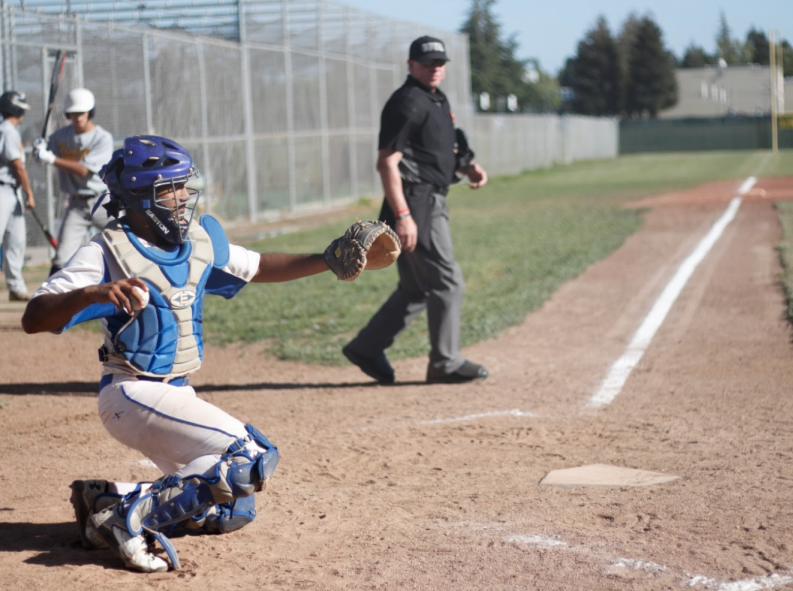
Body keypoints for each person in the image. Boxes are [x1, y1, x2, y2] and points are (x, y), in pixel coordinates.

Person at [21, 135, 347, 573]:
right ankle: (129, 522)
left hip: (177, 394)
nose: (180, 197)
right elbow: (34, 316)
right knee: (249, 458)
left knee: (234, 508)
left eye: (182, 186)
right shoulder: (105, 250)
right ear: (137, 196)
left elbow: (259, 267)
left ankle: (107, 498)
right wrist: (93, 292)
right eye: (166, 189)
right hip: (132, 393)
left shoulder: (196, 243)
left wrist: (328, 258)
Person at [341, 35, 489, 385]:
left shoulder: (433, 98)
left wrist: (468, 166)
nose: (435, 68)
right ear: (411, 65)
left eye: (440, 63)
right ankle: (445, 363)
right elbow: (387, 163)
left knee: (416, 288)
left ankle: (366, 347)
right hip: (416, 204)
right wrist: (404, 216)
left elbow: (436, 149)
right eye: (427, 63)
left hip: (423, 200)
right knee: (447, 282)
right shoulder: (407, 102)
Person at [32, 87, 113, 276]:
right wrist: (39, 149)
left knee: (127, 243)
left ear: (90, 112)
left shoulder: (102, 138)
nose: (77, 117)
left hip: (103, 202)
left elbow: (84, 170)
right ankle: (50, 300)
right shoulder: (61, 136)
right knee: (61, 257)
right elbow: (44, 154)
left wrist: (51, 158)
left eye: (81, 112)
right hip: (76, 204)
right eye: (73, 113)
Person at [0, 90, 36, 301]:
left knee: (16, 240)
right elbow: (17, 166)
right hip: (4, 189)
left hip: (11, 191)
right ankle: (15, 286)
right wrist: (29, 193)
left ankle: (16, 287)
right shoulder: (8, 131)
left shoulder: (8, 130)